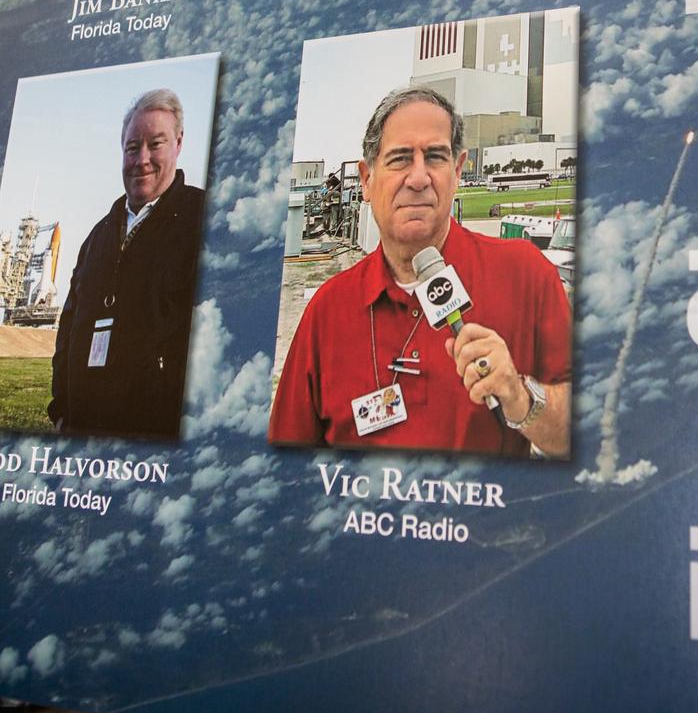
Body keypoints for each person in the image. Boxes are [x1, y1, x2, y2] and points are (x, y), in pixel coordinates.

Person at [269, 87, 571, 457]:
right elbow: (287, 463)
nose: (418, 178)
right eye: (399, 159)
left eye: (435, 157)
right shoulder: (327, 310)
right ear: (366, 179)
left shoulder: (526, 275)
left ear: (457, 172)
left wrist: (520, 398)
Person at [49, 89, 205, 439]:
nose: (142, 159)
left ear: (178, 144)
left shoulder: (201, 220)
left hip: (150, 442)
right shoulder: (97, 237)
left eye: (156, 144)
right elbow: (68, 326)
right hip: (83, 434)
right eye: (133, 148)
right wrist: (61, 410)